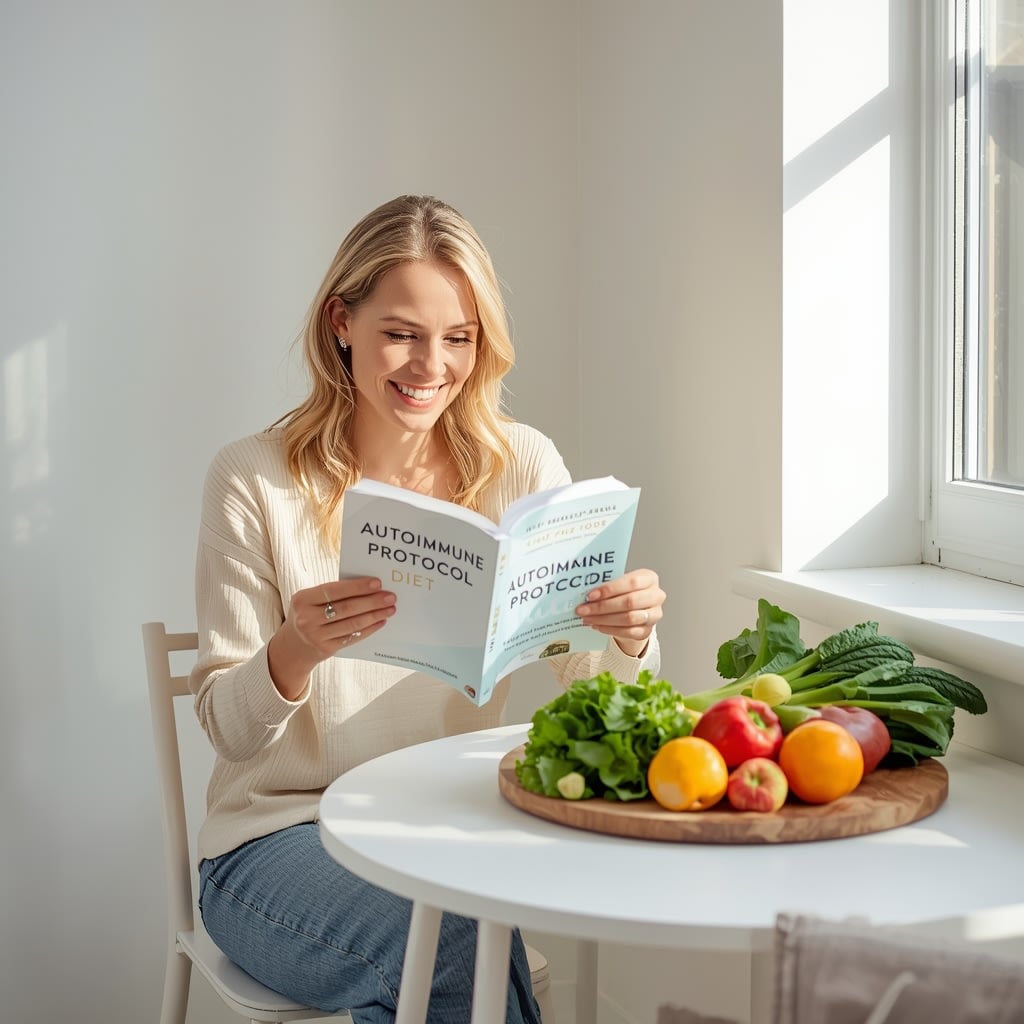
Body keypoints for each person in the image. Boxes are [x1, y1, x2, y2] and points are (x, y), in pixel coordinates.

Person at [190, 194, 667, 1023]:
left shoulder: (522, 462)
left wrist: (630, 634)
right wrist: (292, 652)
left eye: (459, 338)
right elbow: (230, 734)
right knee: (455, 947)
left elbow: (597, 693)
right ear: (342, 321)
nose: (430, 366)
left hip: (449, 831)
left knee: (451, 950)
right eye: (401, 333)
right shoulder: (254, 479)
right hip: (275, 843)